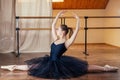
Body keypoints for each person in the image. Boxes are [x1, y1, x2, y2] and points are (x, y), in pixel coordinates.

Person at [0, 11, 118, 79]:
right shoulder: (56, 38)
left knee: (85, 68)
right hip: (49, 61)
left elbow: (76, 30)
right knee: (31, 66)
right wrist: (58, 15)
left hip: (59, 63)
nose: (56, 30)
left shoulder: (67, 42)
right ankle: (13, 66)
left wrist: (77, 20)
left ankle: (106, 68)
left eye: (58, 30)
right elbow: (52, 25)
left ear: (63, 32)